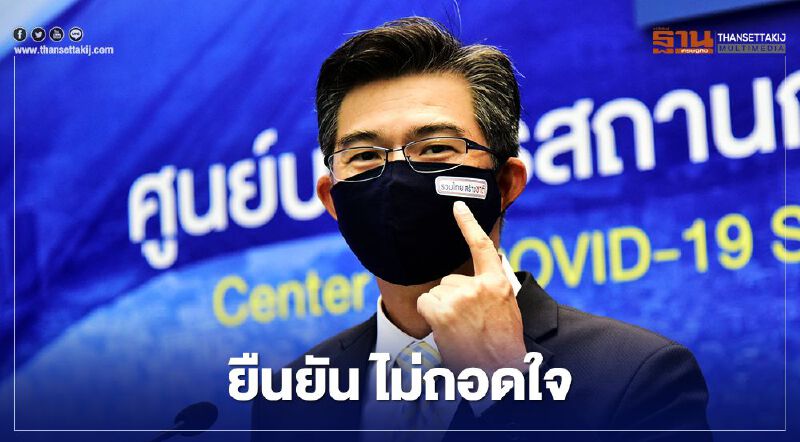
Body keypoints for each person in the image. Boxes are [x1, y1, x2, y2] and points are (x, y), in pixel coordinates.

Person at [252, 16, 710, 441]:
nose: (396, 177)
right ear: (333, 199)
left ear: (505, 183)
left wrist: (504, 389)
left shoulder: (637, 376)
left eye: (435, 148)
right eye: (365, 156)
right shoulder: (290, 399)